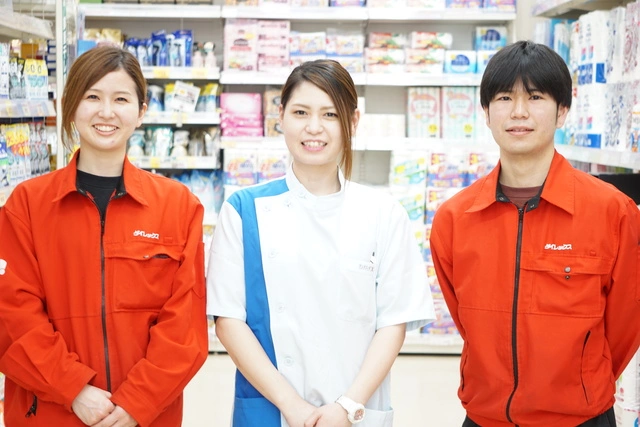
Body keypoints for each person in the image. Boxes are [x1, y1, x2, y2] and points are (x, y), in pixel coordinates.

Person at [206, 59, 435, 427]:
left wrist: (347, 405)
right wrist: (293, 407)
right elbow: (229, 320)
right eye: (301, 112)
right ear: (280, 116)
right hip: (272, 408)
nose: (314, 127)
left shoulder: (383, 213)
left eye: (330, 114)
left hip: (357, 410)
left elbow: (393, 322)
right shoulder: (244, 210)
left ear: (353, 121)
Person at [430, 40, 640, 427]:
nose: (519, 112)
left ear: (562, 111)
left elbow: (626, 323)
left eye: (536, 97)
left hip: (581, 419)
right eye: (504, 98)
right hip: (485, 417)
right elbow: (467, 323)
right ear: (486, 113)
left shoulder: (613, 211)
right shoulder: (455, 218)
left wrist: (581, 383)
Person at [0, 46, 208, 426]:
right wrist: (73, 388)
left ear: (141, 112)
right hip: (50, 412)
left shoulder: (178, 206)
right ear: (70, 106)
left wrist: (138, 402)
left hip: (145, 418)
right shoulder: (26, 205)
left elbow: (185, 325)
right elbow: (12, 314)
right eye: (92, 97)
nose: (106, 112)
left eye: (121, 99)